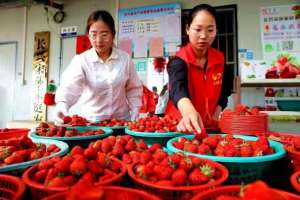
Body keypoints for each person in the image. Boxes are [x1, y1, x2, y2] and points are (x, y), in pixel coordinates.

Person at [54, 10, 142, 124]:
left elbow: (133, 88)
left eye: (104, 34)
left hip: (121, 123)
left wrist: (135, 108)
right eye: (94, 34)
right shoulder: (82, 60)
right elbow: (69, 87)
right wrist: (62, 105)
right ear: (88, 35)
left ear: (113, 35)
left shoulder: (125, 59)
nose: (99, 40)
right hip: (92, 124)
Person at [167, 4, 233, 133]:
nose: (203, 36)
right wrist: (188, 111)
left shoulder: (220, 59)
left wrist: (217, 112)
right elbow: (177, 88)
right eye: (198, 29)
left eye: (210, 30)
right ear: (187, 29)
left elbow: (225, 90)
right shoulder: (179, 61)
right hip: (181, 127)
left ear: (216, 31)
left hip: (210, 127)